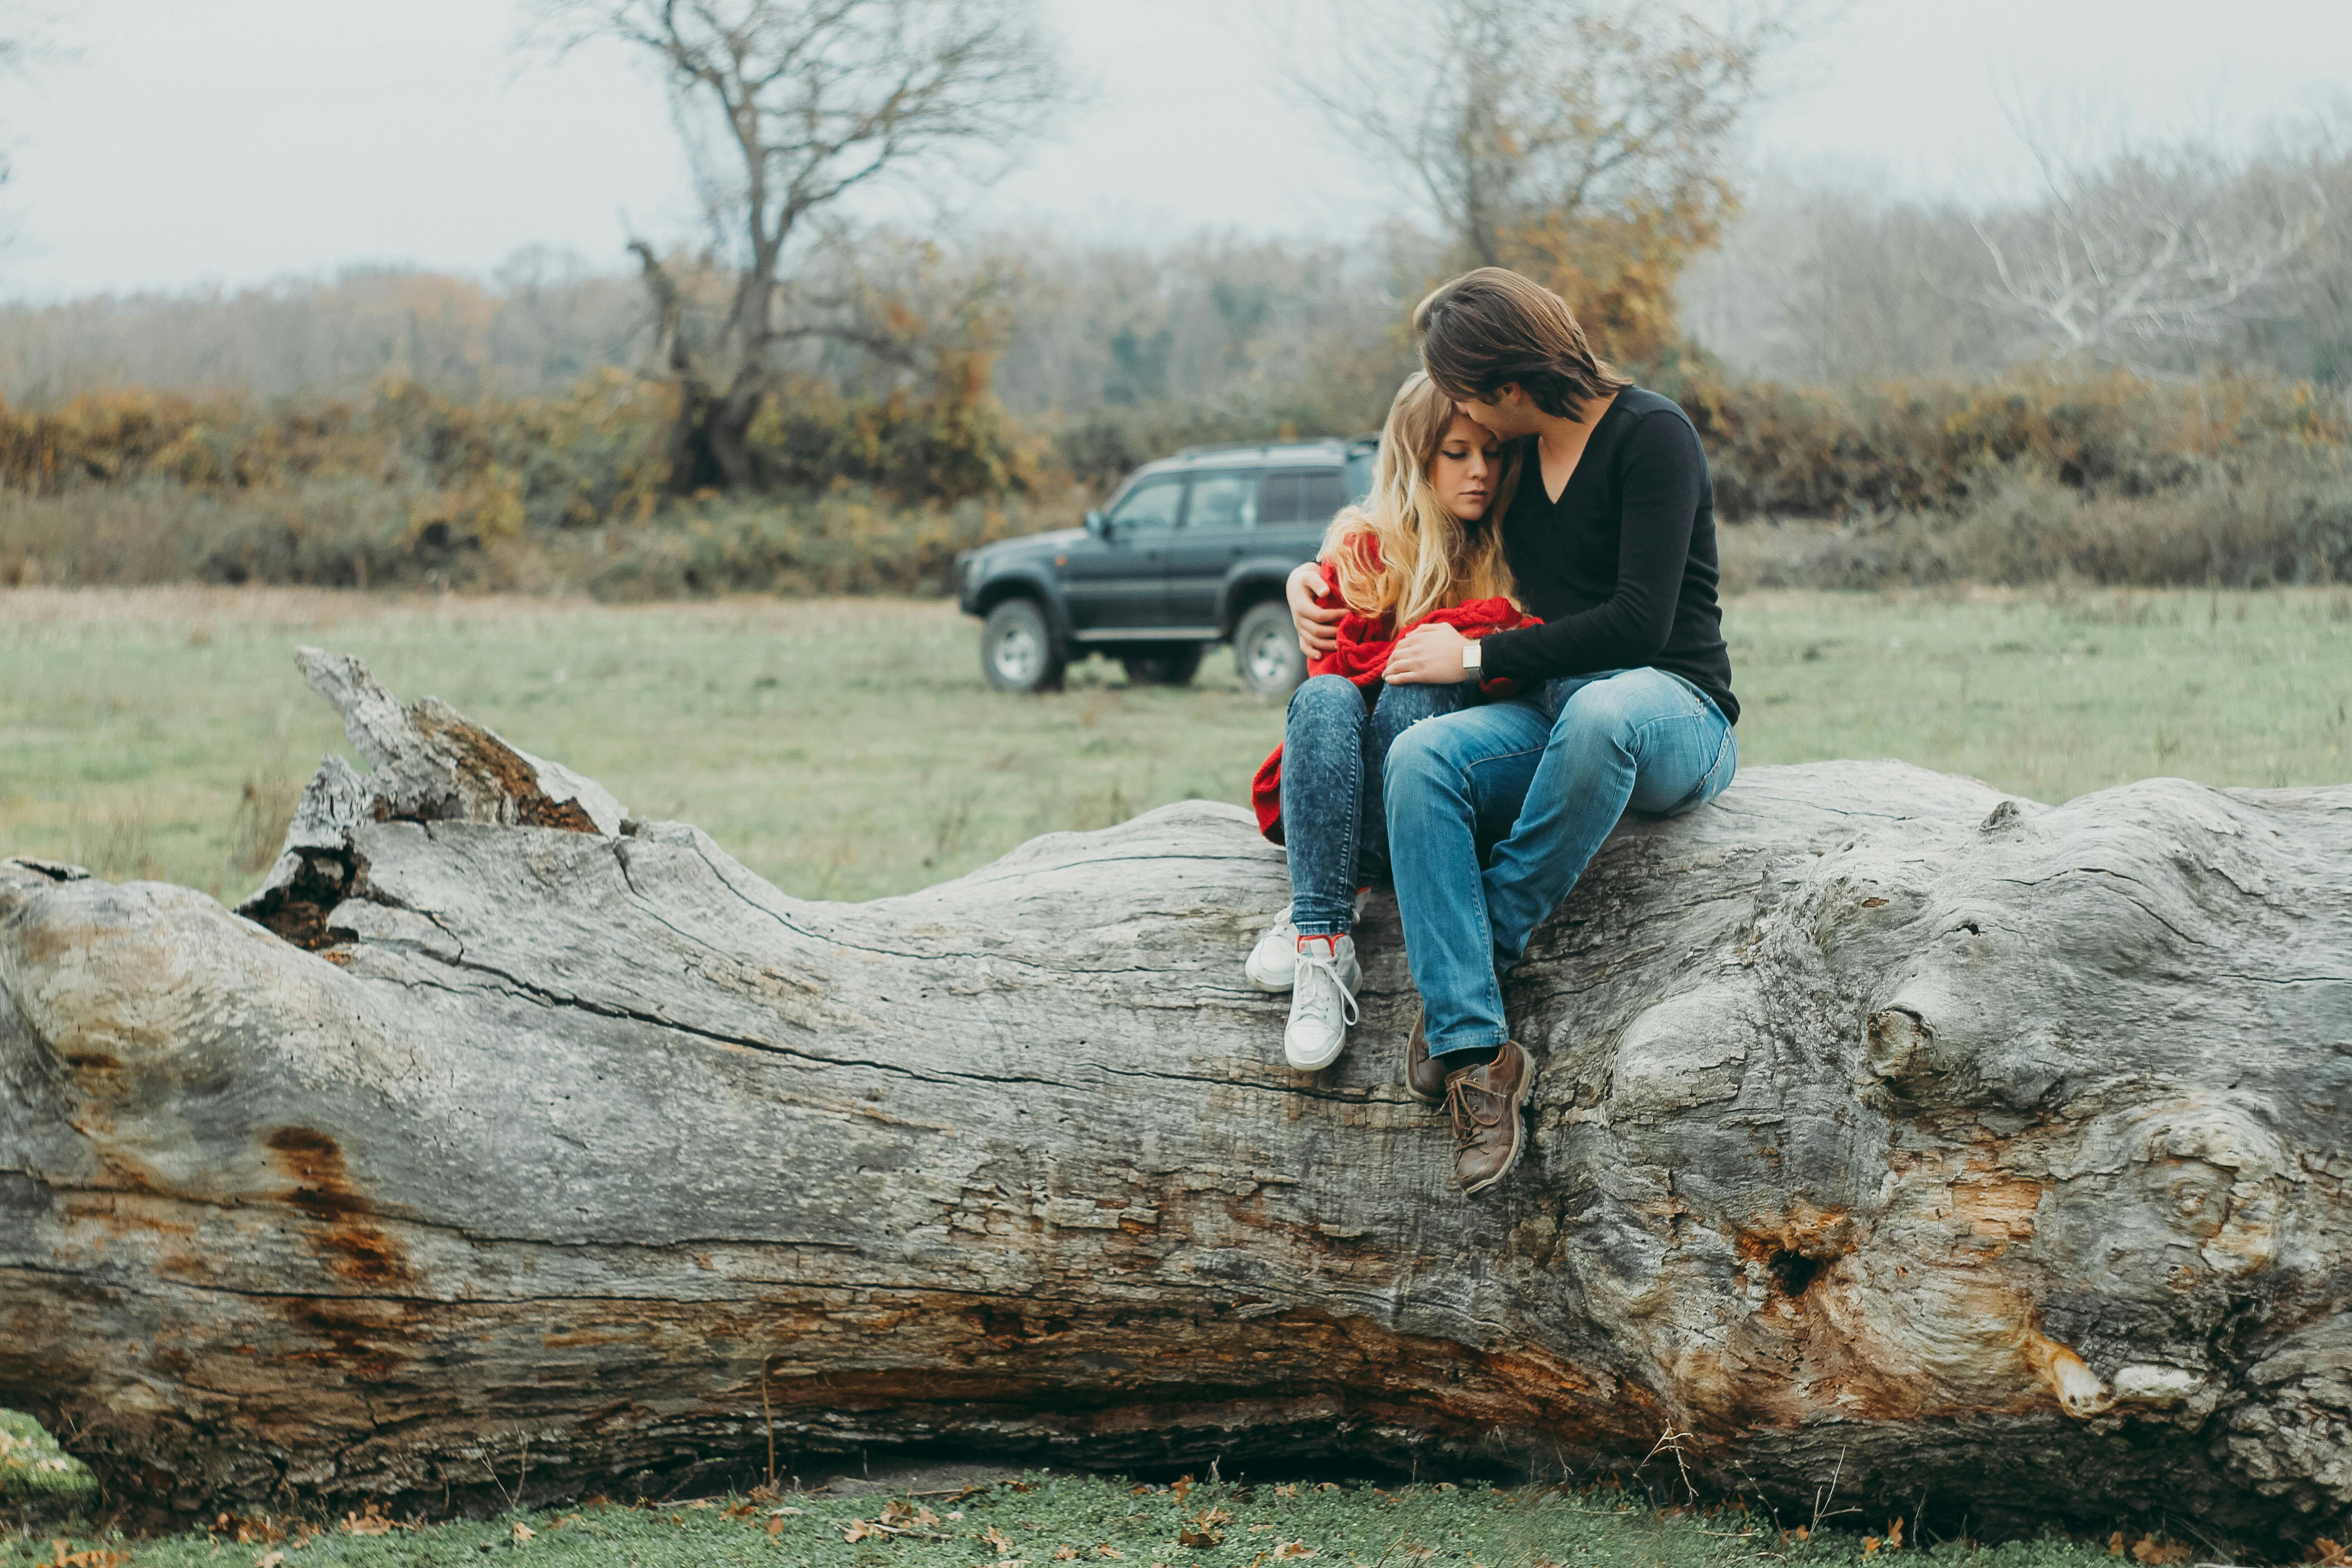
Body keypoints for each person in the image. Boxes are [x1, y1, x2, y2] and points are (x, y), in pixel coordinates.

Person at [1284, 268, 1740, 1196]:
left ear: (1507, 382)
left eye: (1462, 386)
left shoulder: (1653, 437)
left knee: (1603, 711)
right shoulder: (1518, 458)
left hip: (1670, 709)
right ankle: (1480, 1058)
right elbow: (1406, 525)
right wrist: (1312, 577)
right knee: (1420, 758)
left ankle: (1476, 956)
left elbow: (1641, 623)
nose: (1463, 414)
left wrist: (1475, 661)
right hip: (1550, 708)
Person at [1245, 372, 1537, 1073]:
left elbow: (1530, 658)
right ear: (1415, 457)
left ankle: (1320, 905)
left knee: (1412, 691)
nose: (1481, 472)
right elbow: (1330, 689)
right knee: (1322, 700)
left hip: (1437, 807)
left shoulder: (1511, 549)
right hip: (1345, 794)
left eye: (1493, 454)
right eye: (1458, 453)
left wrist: (1461, 649)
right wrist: (1304, 581)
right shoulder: (1364, 551)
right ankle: (1323, 944)